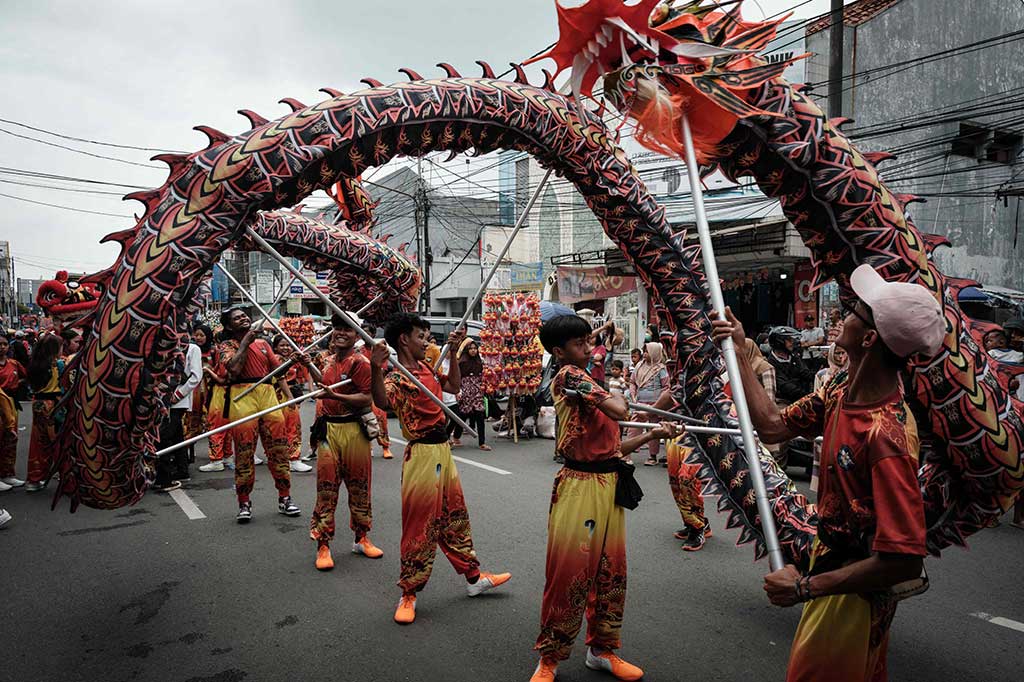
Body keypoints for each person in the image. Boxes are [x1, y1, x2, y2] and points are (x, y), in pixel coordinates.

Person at [712, 264, 945, 682]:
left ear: (870, 339)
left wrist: (804, 588)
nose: (844, 314)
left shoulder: (886, 436)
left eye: (856, 310)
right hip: (828, 565)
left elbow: (905, 561)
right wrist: (741, 348)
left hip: (852, 594)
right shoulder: (839, 388)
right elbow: (773, 426)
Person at [531, 314, 679, 682]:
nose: (588, 348)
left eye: (587, 340)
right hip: (579, 485)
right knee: (569, 574)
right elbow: (620, 409)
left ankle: (602, 649)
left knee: (611, 575)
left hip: (607, 482)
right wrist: (619, 395)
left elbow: (612, 449)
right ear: (558, 351)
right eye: (579, 343)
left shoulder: (587, 383)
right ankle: (549, 658)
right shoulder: (569, 376)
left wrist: (653, 434)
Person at [368, 312, 510, 625]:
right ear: (404, 339)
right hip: (421, 455)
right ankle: (409, 592)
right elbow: (382, 401)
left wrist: (456, 354)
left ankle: (474, 578)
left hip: (443, 451)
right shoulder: (399, 376)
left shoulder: (426, 369)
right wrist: (375, 367)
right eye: (422, 336)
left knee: (455, 518)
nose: (428, 341)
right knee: (420, 527)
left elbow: (455, 386)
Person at [211, 307, 303, 523]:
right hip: (242, 396)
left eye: (244, 315)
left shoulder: (263, 344)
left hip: (267, 395)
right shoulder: (226, 346)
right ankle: (244, 502)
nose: (242, 318)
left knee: (279, 450)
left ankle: (285, 497)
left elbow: (278, 371)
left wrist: (293, 360)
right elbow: (233, 369)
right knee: (244, 452)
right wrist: (245, 343)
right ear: (229, 326)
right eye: (237, 317)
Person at [309, 314, 383, 570]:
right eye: (337, 329)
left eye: (347, 330)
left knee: (360, 486)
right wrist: (306, 365)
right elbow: (323, 384)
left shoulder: (360, 363)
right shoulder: (328, 360)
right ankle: (323, 544)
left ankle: (361, 538)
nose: (341, 333)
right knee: (326, 488)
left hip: (354, 430)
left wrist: (336, 395)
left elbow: (366, 398)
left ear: (357, 334)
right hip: (328, 431)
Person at [153, 337, 203, 492]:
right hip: (162, 398)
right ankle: (182, 470)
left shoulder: (192, 349)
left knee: (165, 437)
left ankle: (164, 478)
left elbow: (196, 376)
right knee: (176, 436)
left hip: (177, 400)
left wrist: (178, 395)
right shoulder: (161, 347)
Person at [25, 334, 64, 492]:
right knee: (58, 441)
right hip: (52, 405)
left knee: (38, 442)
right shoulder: (58, 364)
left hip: (37, 404)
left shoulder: (34, 364)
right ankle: (64, 477)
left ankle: (33, 479)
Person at [271, 335, 313, 473]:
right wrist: (290, 397)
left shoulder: (289, 360)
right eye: (282, 345)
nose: (286, 348)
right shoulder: (277, 360)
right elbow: (280, 378)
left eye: (288, 345)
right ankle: (293, 459)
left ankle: (284, 458)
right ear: (275, 347)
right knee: (292, 427)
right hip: (282, 397)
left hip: (282, 396)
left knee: (282, 429)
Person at [628, 342, 669, 466]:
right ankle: (626, 455)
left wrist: (658, 405)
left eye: (647, 351)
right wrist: (633, 396)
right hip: (639, 404)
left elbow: (666, 387)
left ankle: (652, 456)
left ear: (654, 353)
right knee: (632, 429)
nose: (644, 354)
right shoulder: (639, 366)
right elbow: (632, 382)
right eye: (644, 351)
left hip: (654, 406)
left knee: (654, 430)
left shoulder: (661, 369)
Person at [359, 324, 394, 460]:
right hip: (363, 389)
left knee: (381, 418)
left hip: (377, 389)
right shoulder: (359, 350)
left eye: (367, 332)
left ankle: (385, 446)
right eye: (362, 333)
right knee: (364, 418)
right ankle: (368, 445)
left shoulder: (380, 350)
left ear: (373, 335)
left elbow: (382, 369)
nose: (364, 335)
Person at [452, 338, 490, 451]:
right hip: (466, 391)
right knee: (463, 415)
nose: (473, 351)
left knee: (480, 415)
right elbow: (458, 377)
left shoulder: (480, 362)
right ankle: (456, 437)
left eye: (475, 348)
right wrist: (458, 390)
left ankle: (482, 443)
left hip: (477, 391)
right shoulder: (462, 362)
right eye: (471, 349)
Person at [0, 334, 26, 490]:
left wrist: (17, 385)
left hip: (12, 402)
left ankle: (8, 474)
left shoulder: (14, 363)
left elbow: (26, 376)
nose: (2, 347)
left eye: (5, 344)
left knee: (11, 438)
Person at [766, 326, 815, 404]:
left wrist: (820, 375)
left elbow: (805, 373)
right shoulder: (771, 363)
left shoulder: (794, 357)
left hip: (801, 399)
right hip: (784, 401)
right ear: (779, 342)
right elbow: (786, 387)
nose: (792, 342)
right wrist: (809, 396)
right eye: (788, 340)